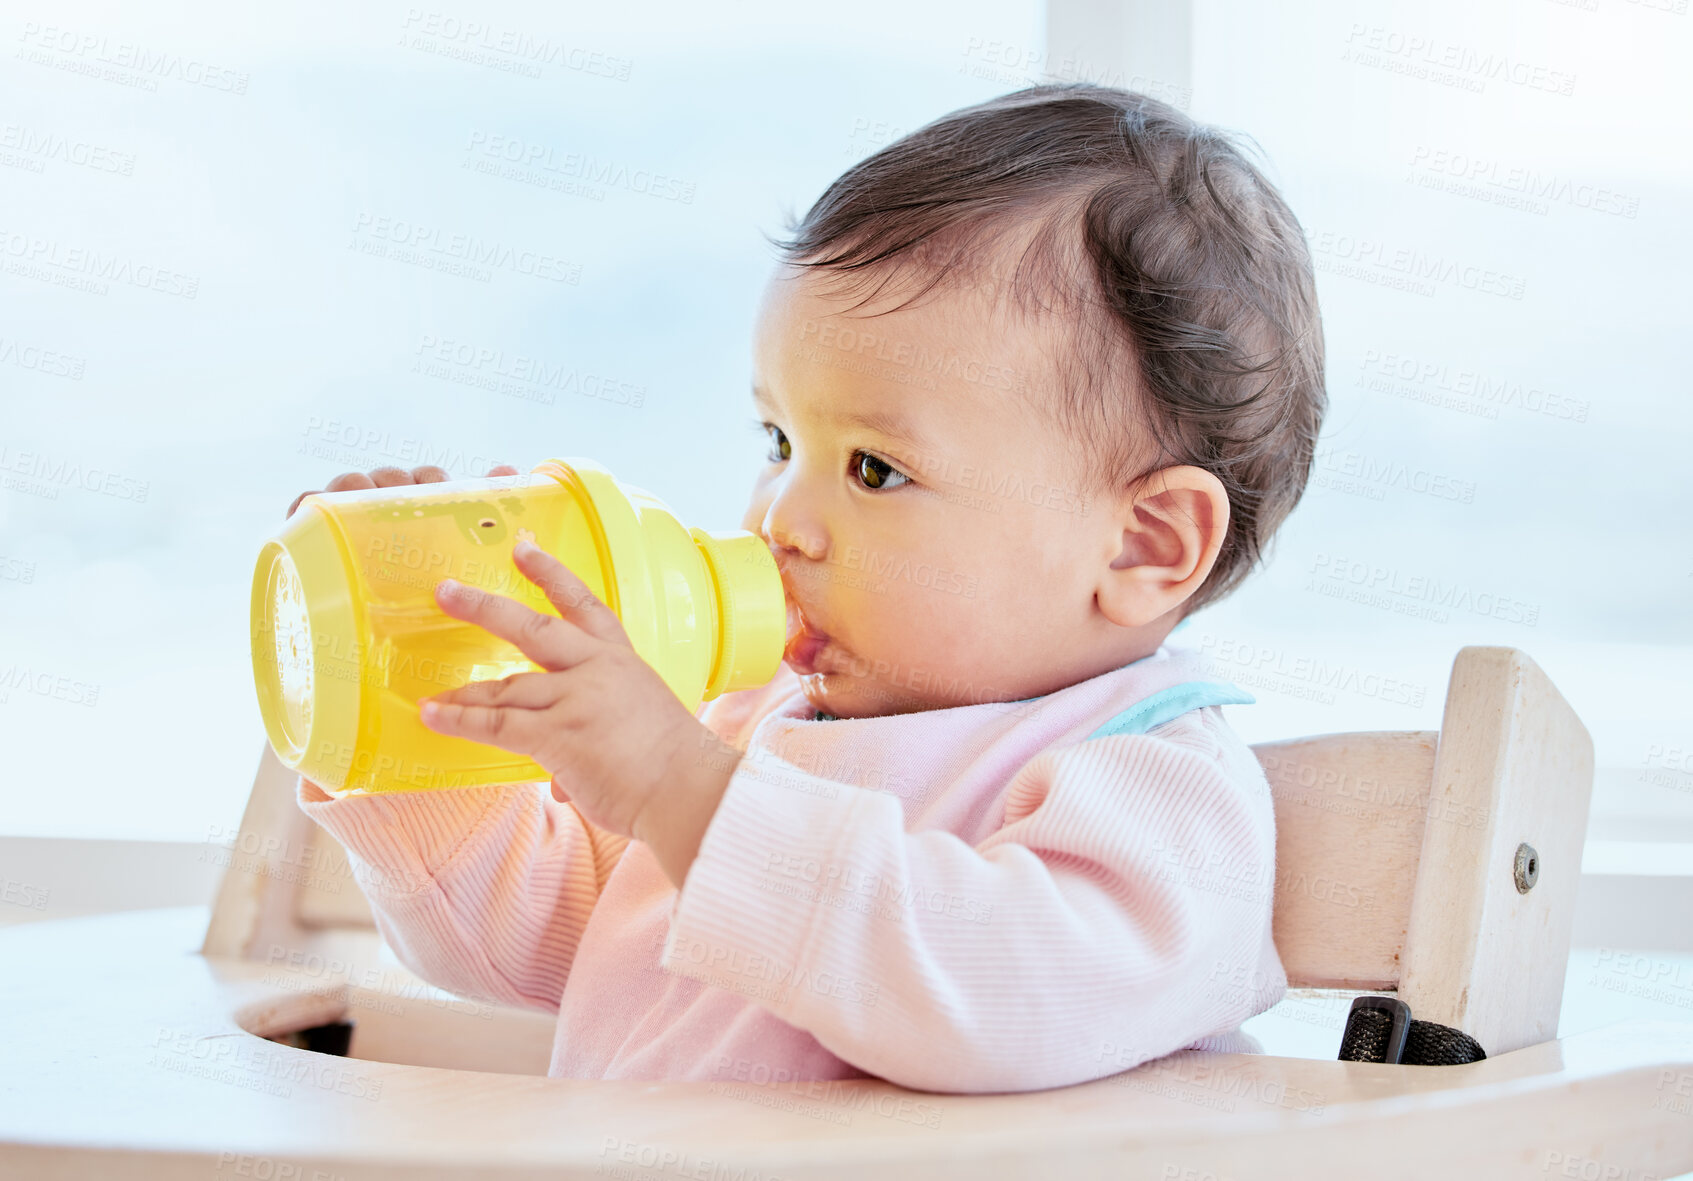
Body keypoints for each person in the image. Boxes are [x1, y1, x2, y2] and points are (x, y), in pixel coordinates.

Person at [288, 83, 1326, 1094]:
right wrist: (418, 724)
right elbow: (528, 950)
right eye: (779, 440)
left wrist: (679, 786)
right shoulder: (753, 733)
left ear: (1143, 543)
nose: (778, 517)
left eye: (874, 467)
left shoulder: (1153, 781)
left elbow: (988, 993)